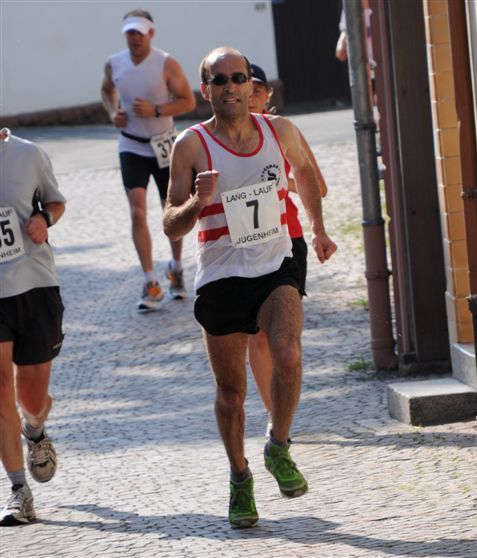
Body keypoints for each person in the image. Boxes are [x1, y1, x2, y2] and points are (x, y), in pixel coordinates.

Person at [163, 47, 337, 528]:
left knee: (287, 353)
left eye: (238, 77)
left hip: (274, 265)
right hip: (220, 277)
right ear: (206, 91)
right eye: (219, 81)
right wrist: (197, 203)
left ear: (250, 85)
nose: (231, 87)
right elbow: (170, 225)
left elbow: (306, 174)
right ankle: (239, 475)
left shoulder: (279, 132)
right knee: (231, 392)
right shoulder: (191, 146)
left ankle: (278, 446)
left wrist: (317, 230)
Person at [247, 64, 328, 435]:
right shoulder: (217, 137)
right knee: (257, 334)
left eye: (257, 89)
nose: (250, 95)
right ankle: (274, 416)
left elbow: (318, 185)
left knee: (284, 335)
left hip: (287, 237)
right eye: (244, 86)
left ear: (267, 95)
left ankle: (281, 409)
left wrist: (318, 231)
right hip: (244, 242)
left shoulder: (284, 131)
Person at [101, 9, 196, 311]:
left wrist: (156, 110)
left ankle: (177, 269)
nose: (134, 38)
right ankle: (150, 280)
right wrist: (112, 111)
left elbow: (188, 101)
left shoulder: (165, 63)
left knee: (173, 208)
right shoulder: (114, 63)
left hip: (164, 145)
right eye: (129, 32)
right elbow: (106, 90)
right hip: (131, 145)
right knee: (137, 212)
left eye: (139, 33)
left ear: (151, 34)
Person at [0, 128, 66, 526]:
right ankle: (17, 490)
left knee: (31, 396)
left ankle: (36, 429)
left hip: (35, 283)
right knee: (1, 388)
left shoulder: (27, 154)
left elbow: (56, 201)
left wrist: (44, 217)